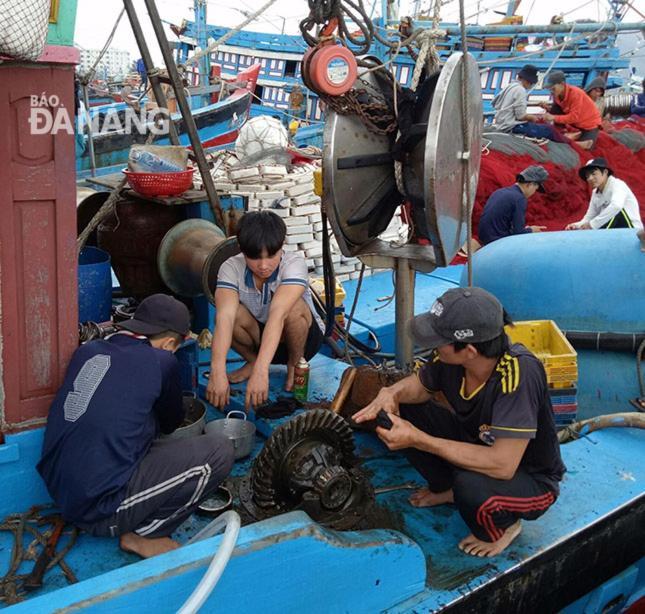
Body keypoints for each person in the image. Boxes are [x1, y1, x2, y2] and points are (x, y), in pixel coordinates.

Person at [354, 287, 566, 557]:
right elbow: (419, 385)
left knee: (472, 486)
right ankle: (448, 490)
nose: (433, 346)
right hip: (477, 442)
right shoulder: (450, 358)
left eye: (439, 340)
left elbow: (502, 465)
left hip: (529, 477)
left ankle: (506, 525)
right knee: (398, 410)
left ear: (469, 350)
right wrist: (390, 393)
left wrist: (419, 439)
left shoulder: (518, 374)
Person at [37, 294, 234, 559]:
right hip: (98, 510)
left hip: (59, 490)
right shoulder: (162, 360)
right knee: (219, 450)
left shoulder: (87, 350)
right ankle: (144, 535)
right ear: (168, 344)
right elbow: (171, 423)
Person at [207, 210, 324, 410]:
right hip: (261, 339)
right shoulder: (230, 268)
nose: (263, 266)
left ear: (281, 247)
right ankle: (252, 361)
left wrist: (262, 372)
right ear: (242, 251)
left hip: (302, 340)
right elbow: (224, 318)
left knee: (293, 308)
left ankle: (294, 365)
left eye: (271, 255)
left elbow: (278, 316)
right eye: (254, 257)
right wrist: (217, 371)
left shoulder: (294, 264)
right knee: (228, 315)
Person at [478, 165, 549, 245]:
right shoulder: (519, 199)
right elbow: (518, 232)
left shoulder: (499, 192)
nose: (534, 193)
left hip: (484, 238)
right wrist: (531, 230)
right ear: (529, 184)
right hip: (495, 242)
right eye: (535, 189)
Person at [566, 158, 643, 231]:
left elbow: (616, 206)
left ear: (605, 172)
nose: (590, 178)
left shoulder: (618, 185)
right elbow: (589, 217)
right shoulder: (595, 192)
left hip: (632, 230)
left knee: (615, 211)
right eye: (587, 176)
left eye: (593, 173)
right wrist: (577, 225)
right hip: (614, 229)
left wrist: (592, 225)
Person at [492, 65, 565, 142]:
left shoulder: (509, 86)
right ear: (527, 80)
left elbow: (494, 103)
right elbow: (521, 116)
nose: (531, 86)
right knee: (549, 130)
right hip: (512, 127)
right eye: (531, 83)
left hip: (501, 125)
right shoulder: (520, 90)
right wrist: (533, 118)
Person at [539, 70, 602, 150]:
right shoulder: (557, 95)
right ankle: (564, 133)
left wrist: (553, 117)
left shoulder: (575, 94)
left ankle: (570, 137)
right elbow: (557, 111)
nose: (551, 91)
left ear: (562, 84)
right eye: (550, 89)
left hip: (589, 125)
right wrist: (547, 108)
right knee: (555, 108)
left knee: (586, 149)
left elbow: (574, 117)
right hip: (576, 123)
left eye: (553, 89)